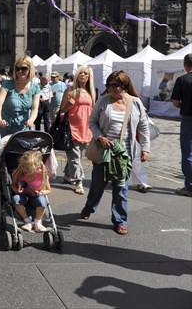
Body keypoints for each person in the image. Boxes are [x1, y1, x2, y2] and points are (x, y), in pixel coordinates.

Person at [81, 70, 150, 235]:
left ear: (125, 86)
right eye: (109, 85)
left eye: (115, 85)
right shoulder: (103, 101)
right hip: (103, 151)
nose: (111, 89)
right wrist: (100, 137)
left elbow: (143, 126)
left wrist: (145, 148)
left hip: (124, 154)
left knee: (121, 188)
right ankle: (90, 206)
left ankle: (120, 221)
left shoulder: (135, 103)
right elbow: (92, 122)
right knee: (98, 185)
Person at [59, 65, 96, 195]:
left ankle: (67, 175)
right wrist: (69, 104)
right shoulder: (70, 89)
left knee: (77, 154)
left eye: (86, 73)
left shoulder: (91, 91)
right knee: (75, 155)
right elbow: (62, 109)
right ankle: (79, 181)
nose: (83, 75)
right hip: (72, 127)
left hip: (86, 127)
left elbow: (93, 109)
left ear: (89, 76)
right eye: (81, 73)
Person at [0, 55, 41, 139]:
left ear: (30, 69)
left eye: (24, 68)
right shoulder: (7, 84)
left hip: (25, 128)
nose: (20, 71)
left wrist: (31, 120)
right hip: (7, 127)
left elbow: (35, 108)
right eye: (17, 68)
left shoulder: (35, 87)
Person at [11, 150, 51, 233]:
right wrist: (18, 191)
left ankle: (37, 222)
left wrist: (41, 192)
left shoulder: (41, 174)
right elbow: (13, 185)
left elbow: (48, 190)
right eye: (23, 166)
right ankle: (27, 221)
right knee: (15, 199)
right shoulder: (19, 173)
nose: (25, 169)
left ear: (36, 166)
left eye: (28, 168)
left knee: (42, 200)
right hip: (23, 195)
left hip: (36, 196)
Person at [171, 53, 192, 196]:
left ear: (185, 65)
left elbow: (176, 103)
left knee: (188, 152)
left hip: (189, 118)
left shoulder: (182, 79)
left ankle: (190, 186)